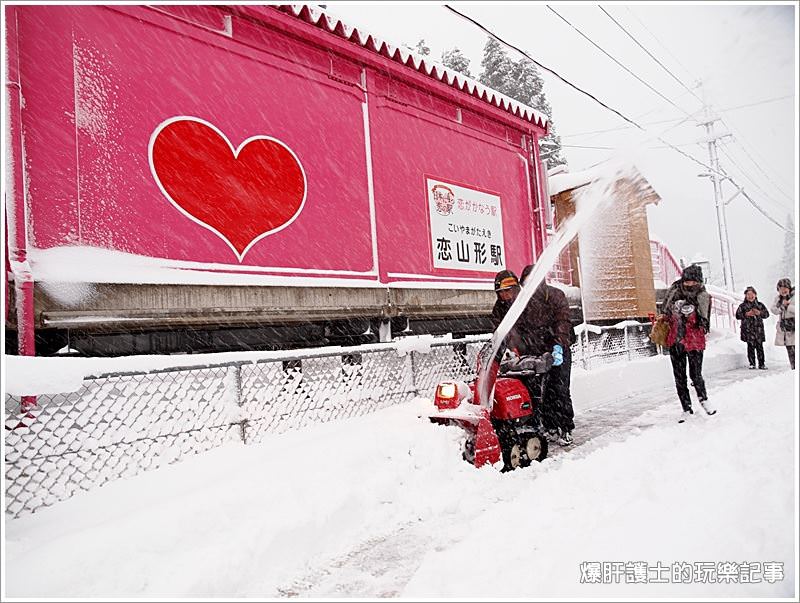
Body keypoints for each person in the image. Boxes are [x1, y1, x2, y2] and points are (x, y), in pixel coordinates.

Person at [491, 266, 574, 445]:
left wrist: (558, 345)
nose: (506, 295)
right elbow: (506, 331)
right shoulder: (513, 304)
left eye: (509, 290)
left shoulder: (553, 296)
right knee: (534, 391)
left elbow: (562, 322)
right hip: (532, 353)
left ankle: (565, 427)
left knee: (558, 389)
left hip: (557, 350)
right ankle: (543, 425)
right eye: (502, 292)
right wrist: (511, 348)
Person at [661, 264, 714, 422]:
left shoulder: (703, 296)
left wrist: (692, 315)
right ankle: (686, 408)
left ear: (698, 281)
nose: (689, 284)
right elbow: (664, 312)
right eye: (687, 281)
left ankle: (704, 399)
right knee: (679, 377)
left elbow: (704, 321)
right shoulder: (674, 293)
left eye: (692, 281)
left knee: (695, 374)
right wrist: (673, 312)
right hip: (675, 339)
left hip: (694, 340)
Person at [735, 286, 770, 370]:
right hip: (748, 330)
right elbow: (737, 316)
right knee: (750, 346)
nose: (750, 296)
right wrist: (746, 314)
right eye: (748, 294)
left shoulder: (760, 305)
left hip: (758, 329)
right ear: (745, 296)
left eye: (752, 294)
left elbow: (767, 314)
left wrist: (759, 313)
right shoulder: (742, 306)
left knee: (759, 347)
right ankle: (752, 363)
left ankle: (761, 363)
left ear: (755, 295)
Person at [771, 278, 795, 370]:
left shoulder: (795, 297)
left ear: (789, 288)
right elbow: (774, 310)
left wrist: (788, 306)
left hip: (795, 325)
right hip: (785, 327)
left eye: (785, 288)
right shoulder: (778, 299)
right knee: (789, 348)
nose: (783, 290)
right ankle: (794, 368)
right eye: (780, 288)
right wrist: (782, 307)